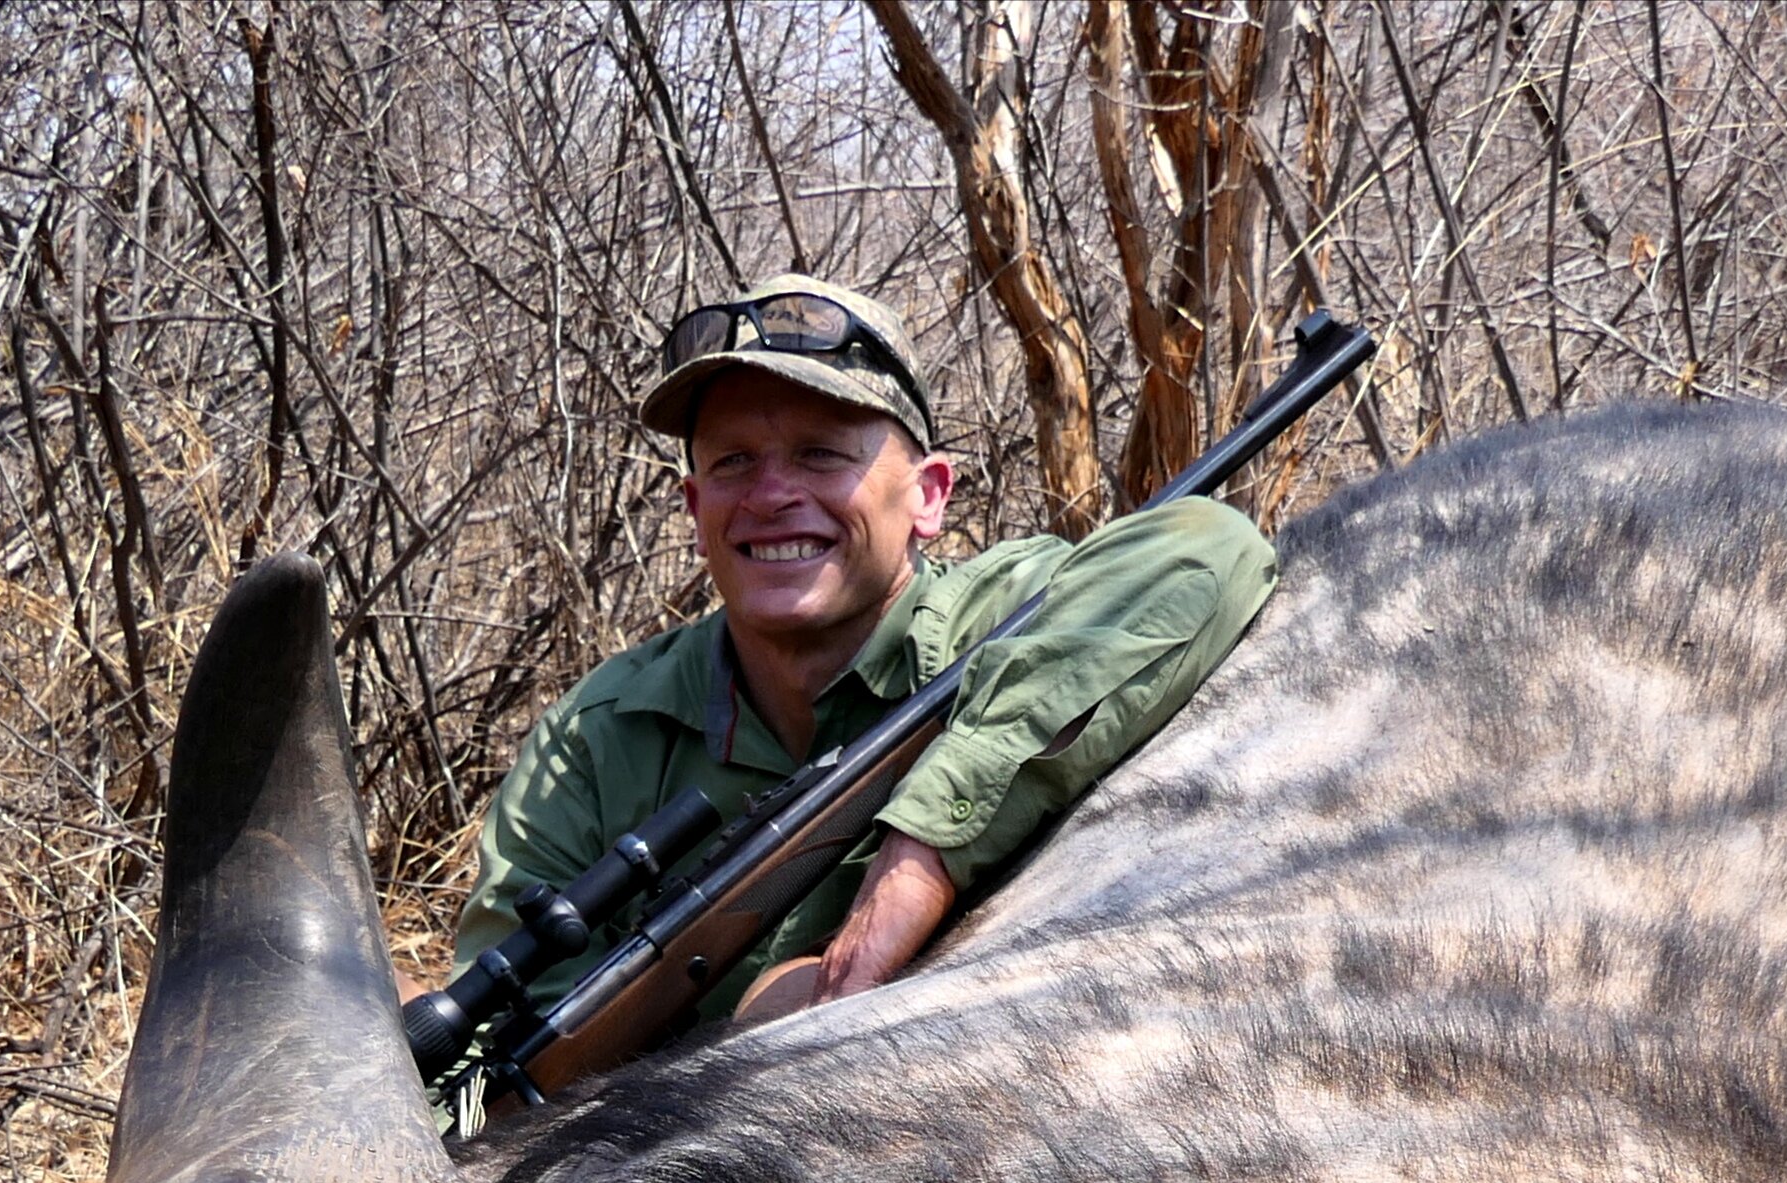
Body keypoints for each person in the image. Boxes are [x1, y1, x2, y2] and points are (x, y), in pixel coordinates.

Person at [446, 276, 1280, 1031]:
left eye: (821, 453)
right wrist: (756, 1020)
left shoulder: (1013, 614)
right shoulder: (595, 735)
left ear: (928, 496)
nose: (771, 495)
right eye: (733, 462)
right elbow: (501, 1049)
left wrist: (912, 869)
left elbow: (1208, 544)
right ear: (695, 508)